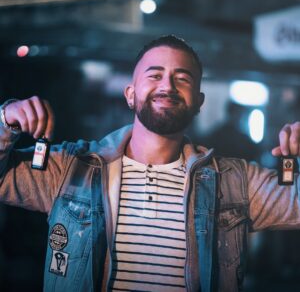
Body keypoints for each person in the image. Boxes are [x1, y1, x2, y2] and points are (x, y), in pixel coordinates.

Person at [0, 35, 299, 292]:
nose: (167, 85)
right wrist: (5, 121)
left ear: (199, 100)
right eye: (154, 75)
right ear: (130, 94)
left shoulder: (235, 182)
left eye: (182, 78)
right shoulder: (69, 168)